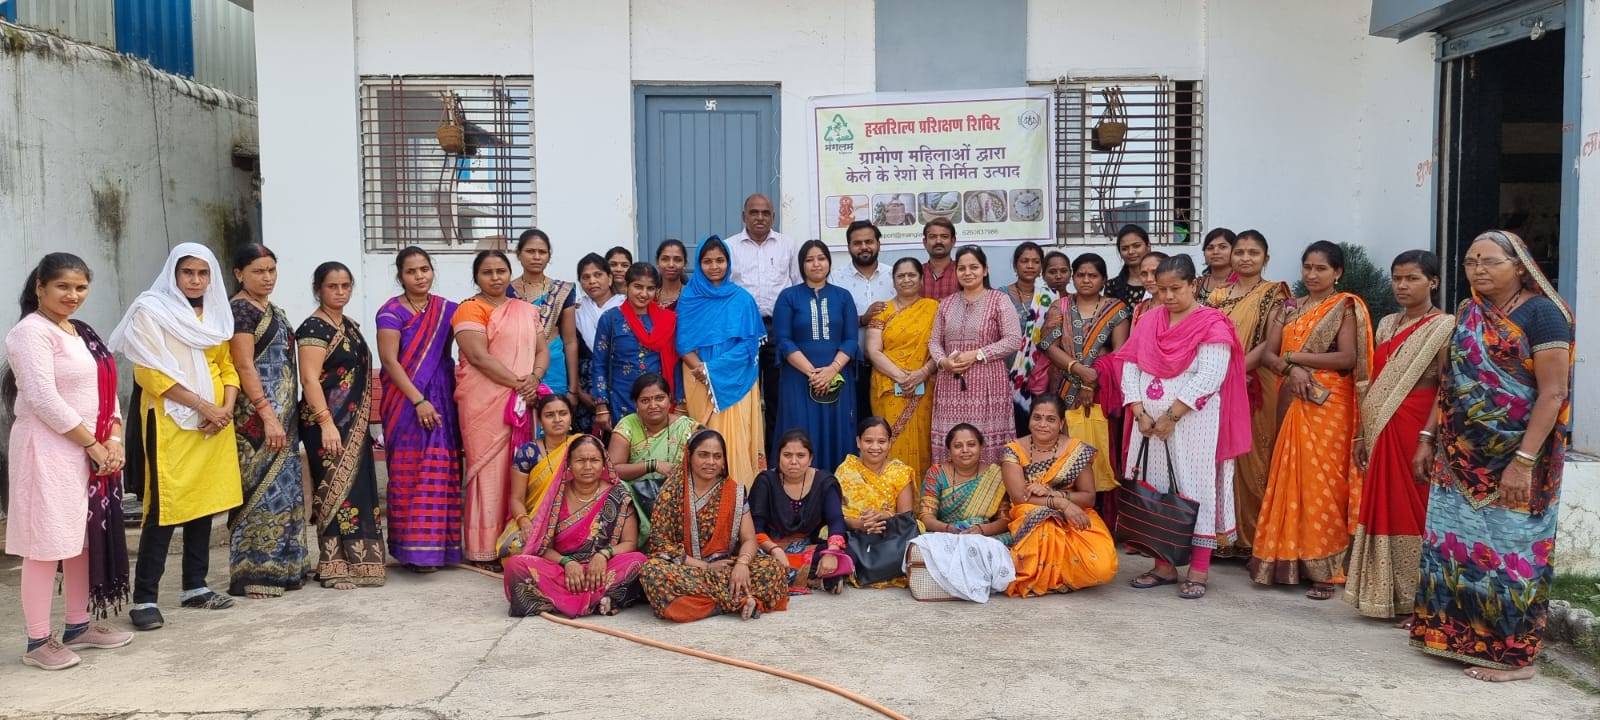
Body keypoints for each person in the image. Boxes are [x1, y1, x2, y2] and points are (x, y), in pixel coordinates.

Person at [1410, 231, 1572, 682]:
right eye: (1470, 261)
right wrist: (1427, 437)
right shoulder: (1467, 313)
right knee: (1453, 548)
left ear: (1520, 266)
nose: (1478, 269)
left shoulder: (1544, 316)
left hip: (1517, 458)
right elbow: (1450, 383)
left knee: (1511, 554)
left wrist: (1522, 461)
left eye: (1490, 261)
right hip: (1458, 457)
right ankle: (1449, 635)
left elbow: (1553, 392)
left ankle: (1514, 659)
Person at [5, 253, 133, 669]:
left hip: (91, 450)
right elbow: (42, 398)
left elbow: (107, 387)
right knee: (45, 544)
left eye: (80, 287)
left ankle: (79, 625)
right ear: (40, 286)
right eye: (62, 286)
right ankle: (38, 640)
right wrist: (92, 445)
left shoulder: (81, 333)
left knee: (81, 540)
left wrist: (114, 436)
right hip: (48, 449)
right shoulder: (31, 333)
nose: (72, 295)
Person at [111, 243, 243, 631]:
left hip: (215, 422)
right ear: (174, 273)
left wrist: (226, 409)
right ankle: (145, 599)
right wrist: (205, 406)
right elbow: (150, 376)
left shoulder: (217, 314)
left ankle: (195, 587)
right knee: (164, 507)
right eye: (188, 272)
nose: (196, 280)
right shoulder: (151, 312)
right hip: (171, 421)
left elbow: (227, 366)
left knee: (205, 502)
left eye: (203, 273)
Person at [1118, 255, 1251, 600]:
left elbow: (1210, 375)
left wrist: (1171, 416)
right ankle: (1163, 566)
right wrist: (1138, 409)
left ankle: (1199, 569)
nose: (1167, 296)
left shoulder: (1212, 324)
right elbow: (1130, 365)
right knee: (1156, 487)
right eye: (1161, 289)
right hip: (1147, 424)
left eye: (1175, 288)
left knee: (1194, 487)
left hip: (1193, 423)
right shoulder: (1148, 321)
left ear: (1193, 285)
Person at [1252, 241, 1373, 599]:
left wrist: (1297, 360)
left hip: (1330, 404)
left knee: (1324, 484)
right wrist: (1293, 368)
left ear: (1338, 273)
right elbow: (1270, 355)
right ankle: (1290, 559)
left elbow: (1348, 357)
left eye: (1321, 268)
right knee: (1293, 478)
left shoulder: (1344, 307)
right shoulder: (1289, 308)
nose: (1312, 275)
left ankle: (1329, 569)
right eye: (1307, 267)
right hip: (1293, 398)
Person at [1345, 250, 1451, 620]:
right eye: (1397, 278)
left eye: (1412, 278)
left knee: (1414, 507)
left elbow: (1446, 385)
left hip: (1415, 426)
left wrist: (1428, 435)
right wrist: (1361, 433)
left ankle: (1419, 601)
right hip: (1380, 425)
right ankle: (1384, 594)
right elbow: (1374, 381)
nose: (1402, 286)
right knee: (1383, 505)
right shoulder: (1388, 323)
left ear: (1433, 282)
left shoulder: (1444, 326)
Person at [454, 250, 550, 566]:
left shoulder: (524, 309)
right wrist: (520, 384)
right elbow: (479, 357)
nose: (495, 277)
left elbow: (541, 352)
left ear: (510, 274)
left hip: (523, 401)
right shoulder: (469, 309)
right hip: (485, 402)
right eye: (487, 272)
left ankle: (515, 541)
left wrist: (534, 379)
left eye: (501, 271)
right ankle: (483, 547)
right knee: (488, 471)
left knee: (520, 466)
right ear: (476, 277)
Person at [226, 244, 308, 597]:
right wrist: (267, 415)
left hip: (283, 417)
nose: (268, 277)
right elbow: (243, 365)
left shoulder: (273, 308)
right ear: (239, 274)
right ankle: (255, 572)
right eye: (259, 271)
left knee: (286, 491)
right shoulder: (240, 311)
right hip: (256, 421)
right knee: (260, 493)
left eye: (272, 270)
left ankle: (287, 567)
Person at [296, 263, 385, 590]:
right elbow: (309, 378)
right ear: (318, 288)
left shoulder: (348, 325)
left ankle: (361, 561)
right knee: (331, 491)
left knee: (356, 489)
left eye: (346, 285)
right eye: (332, 286)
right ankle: (333, 565)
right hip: (326, 423)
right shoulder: (313, 328)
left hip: (354, 424)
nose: (340, 292)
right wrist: (326, 423)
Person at [640, 429, 790, 621]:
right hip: (687, 567)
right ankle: (738, 600)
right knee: (652, 571)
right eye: (703, 455)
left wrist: (742, 564)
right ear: (689, 456)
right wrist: (706, 567)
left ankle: (708, 604)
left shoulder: (734, 491)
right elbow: (660, 545)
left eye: (717, 456)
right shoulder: (671, 491)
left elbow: (749, 539)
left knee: (771, 567)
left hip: (727, 565)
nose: (711, 462)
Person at [374, 247, 461, 573]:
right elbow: (390, 361)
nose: (420, 276)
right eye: (412, 271)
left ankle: (442, 549)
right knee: (410, 473)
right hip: (406, 402)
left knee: (442, 469)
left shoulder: (445, 310)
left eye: (424, 269)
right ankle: (414, 551)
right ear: (401, 276)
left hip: (441, 395)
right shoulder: (391, 312)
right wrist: (418, 400)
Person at [1206, 230, 1291, 558]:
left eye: (1253, 253)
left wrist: (1234, 374)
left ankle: (1255, 539)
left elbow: (1271, 343)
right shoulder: (1217, 295)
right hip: (1218, 384)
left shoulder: (1275, 294)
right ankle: (1223, 537)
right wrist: (1215, 377)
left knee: (1255, 455)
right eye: (1239, 252)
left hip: (1254, 383)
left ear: (1265, 259)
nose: (1244, 258)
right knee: (1221, 458)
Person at [502, 435, 646, 618]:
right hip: (561, 571)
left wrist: (603, 555)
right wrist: (567, 563)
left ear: (604, 463)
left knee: (638, 561)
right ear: (569, 463)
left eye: (594, 460)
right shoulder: (557, 494)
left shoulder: (618, 494)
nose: (587, 467)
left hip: (601, 570)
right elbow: (542, 546)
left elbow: (630, 542)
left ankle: (559, 601)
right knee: (516, 565)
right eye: (580, 460)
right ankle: (600, 600)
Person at [1002, 395, 1117, 596]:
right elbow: (1020, 497)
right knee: (1038, 518)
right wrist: (1060, 504)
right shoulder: (1013, 451)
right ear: (1029, 420)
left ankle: (1059, 576)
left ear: (1062, 423)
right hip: (1031, 511)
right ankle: (1051, 579)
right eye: (1037, 418)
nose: (1042, 425)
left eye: (1051, 419)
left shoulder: (1076, 450)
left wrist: (1057, 494)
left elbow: (1089, 497)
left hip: (1076, 512)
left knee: (1103, 567)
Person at [676, 237, 768, 483]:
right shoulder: (689, 298)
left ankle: (739, 496)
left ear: (728, 262)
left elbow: (749, 345)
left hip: (737, 378)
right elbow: (684, 345)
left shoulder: (742, 299)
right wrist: (704, 372)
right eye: (707, 261)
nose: (714, 266)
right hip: (699, 377)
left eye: (720, 260)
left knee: (737, 436)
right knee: (707, 439)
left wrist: (715, 370)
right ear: (698, 264)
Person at [1041, 252, 1130, 495]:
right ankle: (1064, 502)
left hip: (1102, 390)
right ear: (1073, 277)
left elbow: (1118, 354)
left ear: (1104, 279)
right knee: (1064, 448)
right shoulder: (1059, 306)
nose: (1086, 280)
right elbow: (1049, 345)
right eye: (1081, 275)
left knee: (1100, 449)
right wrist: (1078, 370)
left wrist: (1090, 383)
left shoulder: (1117, 309)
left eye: (1093, 275)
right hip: (1063, 388)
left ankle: (1100, 511)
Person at [929, 245, 1023, 466]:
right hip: (950, 385)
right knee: (953, 437)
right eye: (962, 268)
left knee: (986, 438)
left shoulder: (999, 300)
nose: (968, 273)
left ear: (985, 270)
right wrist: (943, 362)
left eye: (974, 267)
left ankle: (992, 495)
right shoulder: (946, 304)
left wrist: (978, 354)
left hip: (988, 383)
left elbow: (1013, 340)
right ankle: (950, 492)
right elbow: (934, 341)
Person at [774, 239, 860, 470]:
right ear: (801, 265)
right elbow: (783, 340)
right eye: (809, 260)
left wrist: (831, 370)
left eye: (821, 258)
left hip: (838, 377)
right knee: (800, 430)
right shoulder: (788, 297)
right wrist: (814, 374)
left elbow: (851, 339)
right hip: (799, 379)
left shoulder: (843, 297)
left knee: (838, 429)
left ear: (829, 263)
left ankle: (838, 491)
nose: (816, 264)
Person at [910, 424, 1015, 601]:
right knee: (921, 540)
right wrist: (949, 529)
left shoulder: (996, 475)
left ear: (982, 446)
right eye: (958, 446)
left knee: (1013, 537)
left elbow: (1005, 519)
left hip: (982, 536)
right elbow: (926, 516)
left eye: (971, 445)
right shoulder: (936, 473)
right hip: (945, 536)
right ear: (949, 450)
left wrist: (980, 530)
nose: (965, 450)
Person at [726, 193, 800, 436]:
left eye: (765, 213)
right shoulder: (729, 247)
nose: (760, 217)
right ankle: (746, 453)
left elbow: (798, 285)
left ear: (773, 217)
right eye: (754, 212)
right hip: (741, 331)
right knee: (744, 395)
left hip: (779, 329)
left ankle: (774, 452)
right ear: (743, 216)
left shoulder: (787, 245)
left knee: (778, 394)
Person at [750, 429, 852, 594]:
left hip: (808, 548)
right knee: (749, 559)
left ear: (810, 458)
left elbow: (836, 521)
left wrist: (831, 553)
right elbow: (755, 527)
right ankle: (815, 578)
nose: (793, 462)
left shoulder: (824, 482)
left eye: (800, 455)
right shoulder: (765, 481)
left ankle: (793, 577)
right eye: (787, 455)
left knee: (848, 551)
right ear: (779, 456)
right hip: (769, 547)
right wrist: (775, 550)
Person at [863, 258, 939, 477]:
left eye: (912, 275)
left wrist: (921, 373)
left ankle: (919, 502)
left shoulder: (934, 308)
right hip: (888, 386)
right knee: (887, 439)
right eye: (901, 276)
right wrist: (901, 377)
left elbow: (939, 349)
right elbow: (873, 350)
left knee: (922, 439)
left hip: (924, 385)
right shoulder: (882, 310)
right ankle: (889, 497)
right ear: (893, 280)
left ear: (922, 279)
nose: (906, 280)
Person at [607, 373, 699, 534]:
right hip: (636, 497)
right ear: (636, 403)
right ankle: (633, 541)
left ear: (669, 398)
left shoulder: (686, 427)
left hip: (677, 495)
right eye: (645, 400)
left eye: (659, 398)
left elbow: (707, 458)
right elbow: (612, 470)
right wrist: (652, 465)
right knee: (615, 489)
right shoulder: (627, 425)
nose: (653, 405)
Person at [833, 417, 915, 587]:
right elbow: (836, 514)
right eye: (868, 441)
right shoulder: (846, 470)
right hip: (855, 531)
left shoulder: (900, 472)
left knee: (918, 529)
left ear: (890, 443)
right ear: (858, 441)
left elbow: (906, 516)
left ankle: (854, 569)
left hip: (890, 532)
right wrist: (860, 524)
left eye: (881, 441)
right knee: (829, 533)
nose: (875, 447)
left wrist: (883, 517)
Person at [592, 263, 679, 421]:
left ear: (657, 290)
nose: (644, 294)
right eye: (638, 287)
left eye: (650, 288)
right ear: (626, 286)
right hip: (621, 399)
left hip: (658, 401)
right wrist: (601, 405)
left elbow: (676, 363)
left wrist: (680, 400)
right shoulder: (610, 319)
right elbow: (599, 364)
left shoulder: (666, 320)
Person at [497, 393, 578, 558]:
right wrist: (525, 523)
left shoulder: (581, 446)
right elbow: (516, 499)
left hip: (574, 517)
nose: (557, 419)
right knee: (515, 547)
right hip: (537, 519)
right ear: (540, 421)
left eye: (563, 413)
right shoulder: (528, 452)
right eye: (549, 415)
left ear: (571, 418)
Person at [831, 221, 894, 414]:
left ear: (878, 244)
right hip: (851, 365)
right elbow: (833, 323)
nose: (864, 247)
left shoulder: (895, 275)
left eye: (869, 241)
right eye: (857, 243)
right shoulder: (835, 278)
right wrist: (862, 320)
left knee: (884, 421)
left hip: (890, 366)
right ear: (849, 247)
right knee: (854, 419)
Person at [510, 230, 578, 407]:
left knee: (554, 418)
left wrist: (573, 388)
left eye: (542, 252)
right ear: (519, 254)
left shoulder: (562, 291)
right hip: (517, 366)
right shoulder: (507, 291)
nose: (537, 257)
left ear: (549, 256)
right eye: (530, 251)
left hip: (554, 366)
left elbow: (570, 341)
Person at [1003, 241, 1057, 436]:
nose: (1030, 266)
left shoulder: (1050, 297)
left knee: (1034, 427)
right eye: (1024, 261)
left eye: (1035, 261)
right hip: (1005, 372)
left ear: (1041, 266)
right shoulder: (1000, 295)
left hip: (1038, 374)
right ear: (1015, 265)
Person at [572, 253, 624, 434]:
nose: (592, 281)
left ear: (609, 278)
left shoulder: (626, 308)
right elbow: (571, 352)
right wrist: (578, 390)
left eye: (598, 275)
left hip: (622, 387)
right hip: (586, 390)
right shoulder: (576, 312)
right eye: (585, 277)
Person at [1104, 224, 1152, 308]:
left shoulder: (1160, 282)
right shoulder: (1112, 286)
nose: (1130, 252)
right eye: (1125, 248)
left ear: (1148, 246)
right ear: (1120, 252)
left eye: (1136, 246)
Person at [920, 219, 959, 300]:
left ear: (953, 241)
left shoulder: (963, 272)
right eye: (932, 237)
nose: (938, 241)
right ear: (924, 242)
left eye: (944, 236)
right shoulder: (916, 273)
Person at [1129, 250, 1169, 328]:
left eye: (1154, 272)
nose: (1149, 279)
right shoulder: (1139, 309)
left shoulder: (1176, 306)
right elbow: (1133, 339)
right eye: (1144, 274)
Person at [1196, 227, 1237, 300]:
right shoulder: (1198, 283)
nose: (1215, 252)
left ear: (1235, 251)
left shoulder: (1241, 283)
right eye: (1210, 248)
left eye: (1223, 247)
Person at [654, 239, 689, 310]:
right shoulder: (649, 295)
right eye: (665, 259)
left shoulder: (691, 295)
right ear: (657, 262)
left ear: (684, 263)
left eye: (677, 260)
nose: (671, 265)